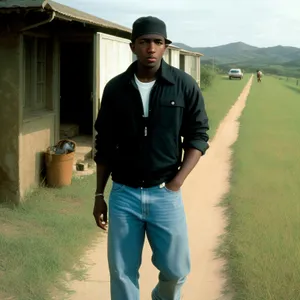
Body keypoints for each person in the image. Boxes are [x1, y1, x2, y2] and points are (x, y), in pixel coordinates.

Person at [93, 16, 209, 300]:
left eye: (158, 42)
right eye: (144, 42)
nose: (151, 48)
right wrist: (99, 194)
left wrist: (177, 182)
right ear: (133, 46)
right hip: (124, 195)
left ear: (166, 47)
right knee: (122, 273)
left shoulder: (183, 85)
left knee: (176, 270)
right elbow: (104, 145)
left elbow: (198, 136)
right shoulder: (116, 88)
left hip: (165, 195)